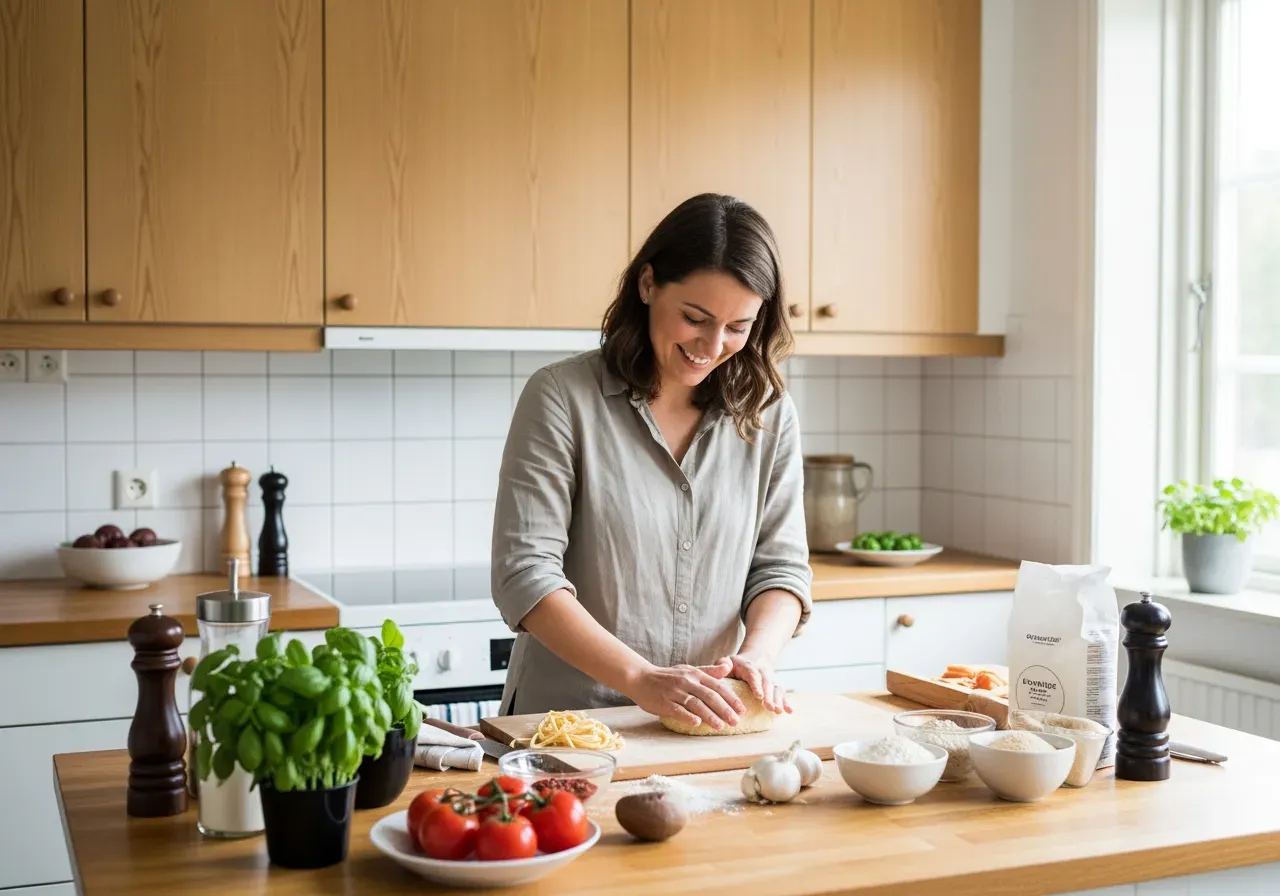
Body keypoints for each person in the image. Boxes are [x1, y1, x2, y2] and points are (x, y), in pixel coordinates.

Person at [490, 193, 812, 731]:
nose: (713, 345)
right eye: (695, 317)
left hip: (707, 726)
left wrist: (758, 655)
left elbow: (780, 568)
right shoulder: (561, 397)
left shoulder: (768, 413)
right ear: (647, 284)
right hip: (567, 727)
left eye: (739, 326)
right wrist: (641, 679)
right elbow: (525, 575)